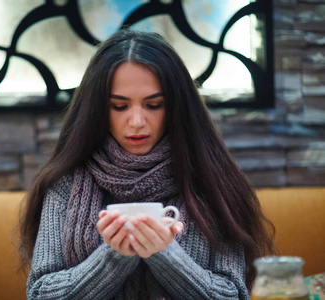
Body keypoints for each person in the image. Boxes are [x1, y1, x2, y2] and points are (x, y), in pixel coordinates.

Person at [18, 29, 275, 299]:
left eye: (153, 105)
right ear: (97, 109)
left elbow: (233, 294)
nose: (137, 121)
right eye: (119, 107)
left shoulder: (209, 180)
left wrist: (164, 254)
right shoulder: (65, 184)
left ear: (175, 107)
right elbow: (40, 293)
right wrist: (114, 257)